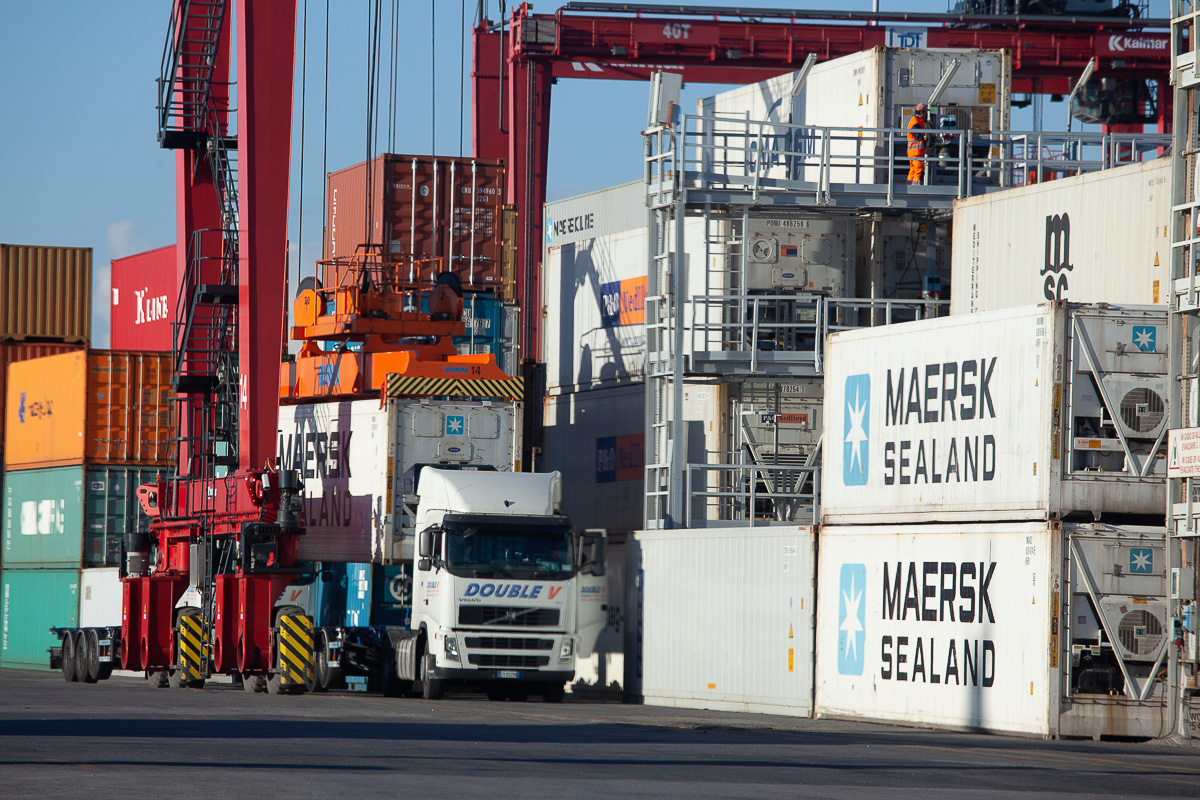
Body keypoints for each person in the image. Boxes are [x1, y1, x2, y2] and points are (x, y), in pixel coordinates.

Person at [907, 102, 931, 186]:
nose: (926, 114)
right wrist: (925, 136)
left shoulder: (917, 121)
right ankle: (916, 188)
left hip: (915, 152)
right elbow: (918, 136)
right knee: (919, 171)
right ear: (921, 112)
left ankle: (909, 187)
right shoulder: (915, 123)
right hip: (916, 152)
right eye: (925, 112)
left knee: (913, 171)